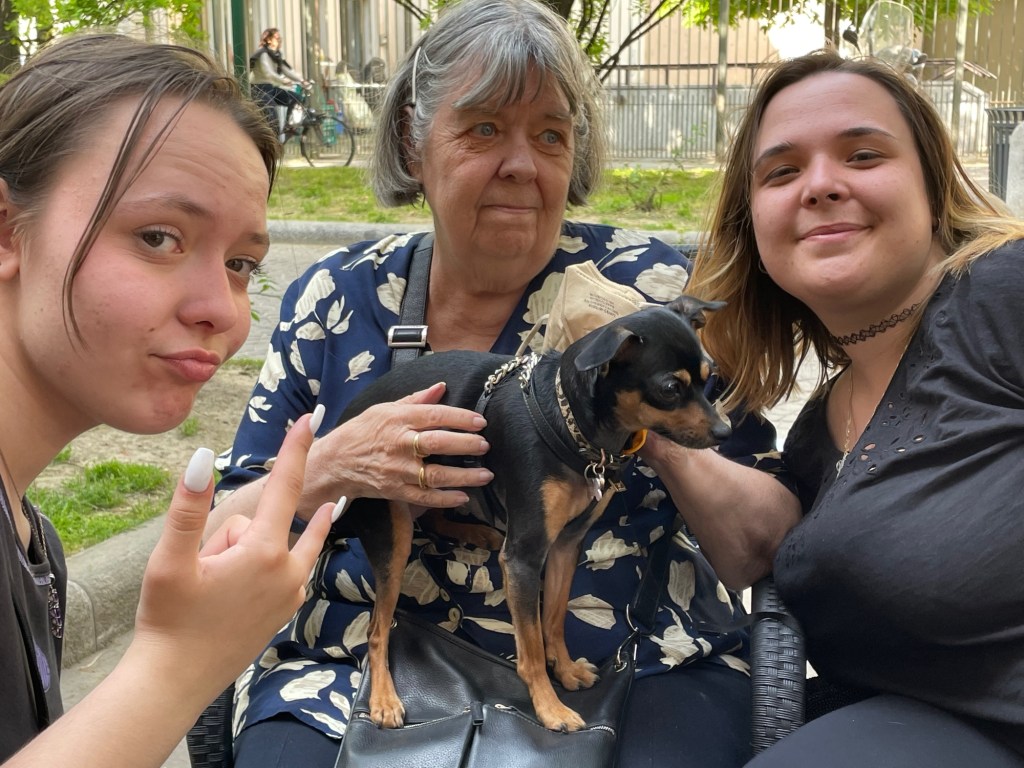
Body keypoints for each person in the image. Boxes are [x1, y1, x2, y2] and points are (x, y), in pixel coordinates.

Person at [208, 0, 797, 765]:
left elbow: (763, 543)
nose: (522, 162)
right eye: (484, 128)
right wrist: (330, 466)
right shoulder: (335, 299)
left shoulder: (650, 292)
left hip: (640, 665)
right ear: (413, 142)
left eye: (550, 134)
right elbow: (219, 538)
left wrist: (622, 416)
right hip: (355, 664)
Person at [0, 33, 340, 767]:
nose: (221, 309)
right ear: (6, 230)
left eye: (242, 263)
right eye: (158, 237)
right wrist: (180, 663)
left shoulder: (30, 537)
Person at [685, 49, 1024, 765]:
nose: (820, 186)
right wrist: (642, 426)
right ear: (753, 228)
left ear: (933, 185)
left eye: (863, 155)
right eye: (782, 172)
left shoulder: (1002, 293)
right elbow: (754, 551)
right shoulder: (818, 434)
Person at [249, 28, 310, 138]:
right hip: (259, 89)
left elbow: (287, 70)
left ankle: (289, 127)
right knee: (272, 117)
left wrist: (301, 80)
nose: (279, 40)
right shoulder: (263, 54)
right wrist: (283, 81)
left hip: (270, 88)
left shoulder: (276, 55)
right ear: (268, 40)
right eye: (276, 38)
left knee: (296, 98)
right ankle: (273, 140)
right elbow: (268, 73)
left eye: (279, 38)